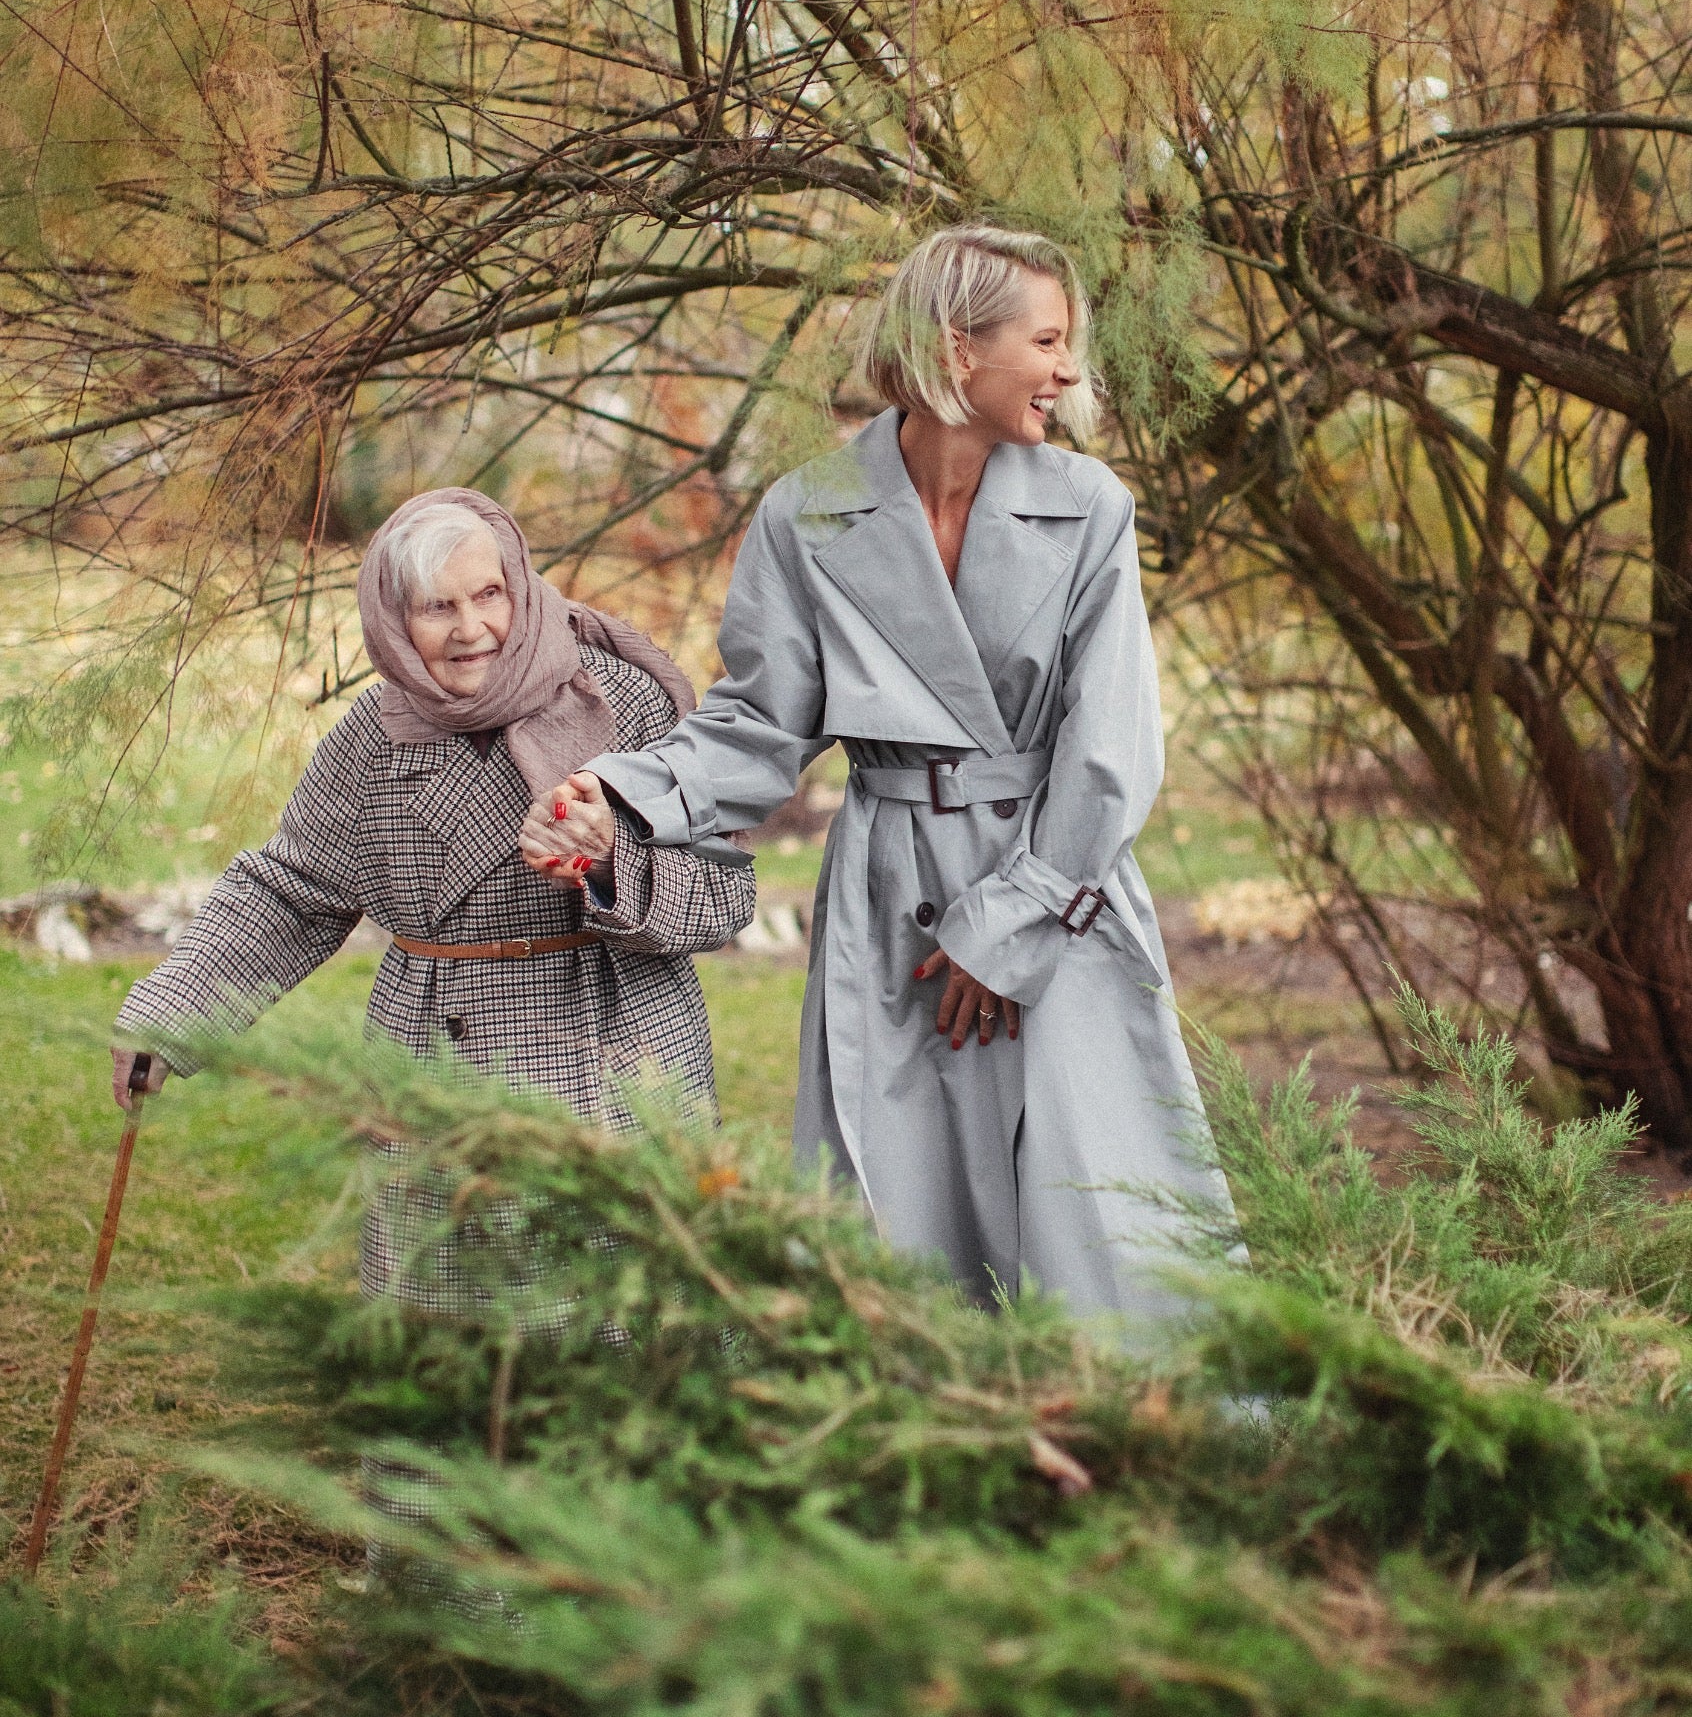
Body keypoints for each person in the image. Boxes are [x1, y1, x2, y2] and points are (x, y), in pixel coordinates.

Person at [523, 228, 1237, 1327]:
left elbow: (1110, 753)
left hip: (1056, 890)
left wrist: (1007, 928)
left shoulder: (1091, 508)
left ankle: (1139, 1458)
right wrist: (619, 794)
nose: (1068, 371)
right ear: (959, 349)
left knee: (1106, 1214)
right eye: (1046, 342)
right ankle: (926, 1454)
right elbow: (762, 724)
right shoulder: (807, 513)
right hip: (892, 902)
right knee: (905, 1220)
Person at [113, 489, 755, 1311]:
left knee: (623, 1330)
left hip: (620, 1055)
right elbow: (289, 893)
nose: (471, 628)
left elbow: (726, 893)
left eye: (489, 594)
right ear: (393, 620)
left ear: (519, 588)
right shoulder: (370, 743)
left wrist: (610, 859)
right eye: (436, 607)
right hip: (441, 1061)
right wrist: (174, 1011)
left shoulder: (623, 702)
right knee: (452, 1339)